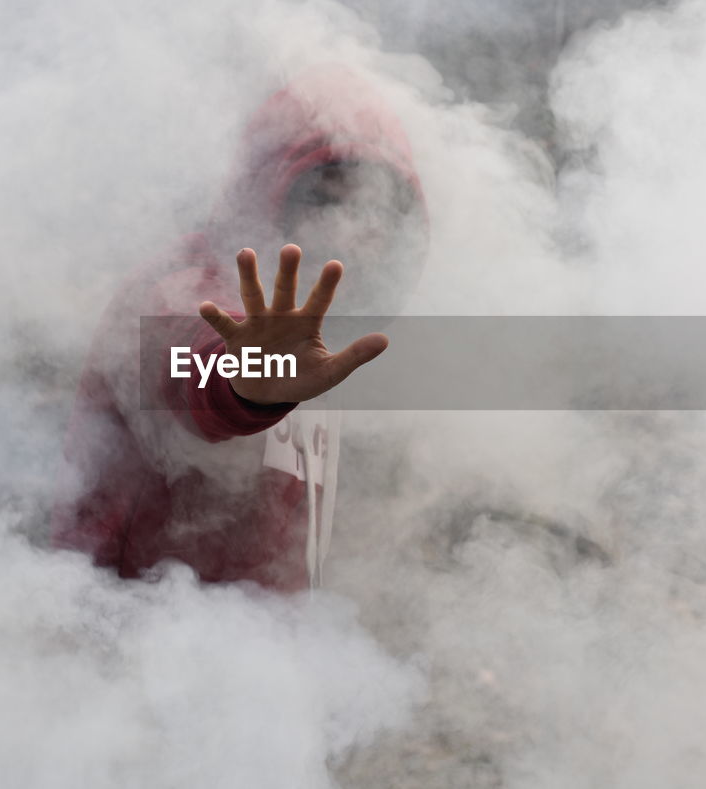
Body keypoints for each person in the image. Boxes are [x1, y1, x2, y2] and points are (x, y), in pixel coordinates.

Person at [51, 65, 429, 592]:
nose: (353, 225)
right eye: (322, 196)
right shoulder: (190, 286)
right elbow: (200, 363)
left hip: (252, 645)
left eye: (374, 202)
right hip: (134, 634)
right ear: (268, 189)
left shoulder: (322, 313)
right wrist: (251, 385)